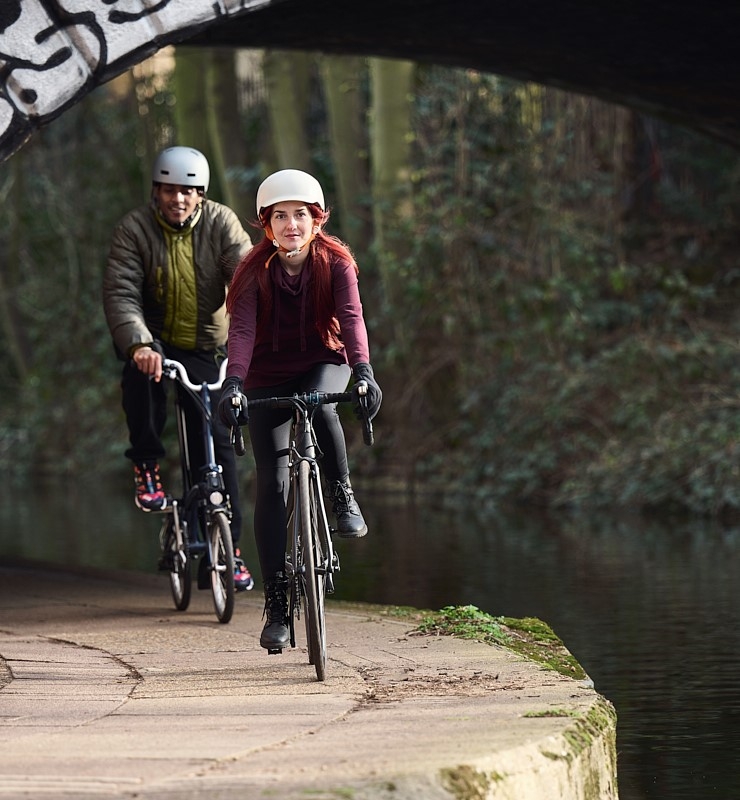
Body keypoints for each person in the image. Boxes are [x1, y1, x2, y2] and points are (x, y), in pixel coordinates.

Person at [217, 169, 382, 651]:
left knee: (322, 407)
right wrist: (233, 383)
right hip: (266, 373)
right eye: (281, 217)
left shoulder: (337, 263)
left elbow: (351, 318)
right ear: (266, 225)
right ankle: (279, 605)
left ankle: (341, 494)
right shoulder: (251, 271)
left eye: (301, 216)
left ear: (317, 220)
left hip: (322, 362)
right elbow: (242, 333)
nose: (292, 225)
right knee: (271, 482)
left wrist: (364, 370)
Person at [103, 145, 255, 592]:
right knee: (142, 382)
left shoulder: (221, 222)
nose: (178, 199)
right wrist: (139, 343)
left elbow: (244, 276)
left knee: (220, 447)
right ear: (157, 191)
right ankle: (147, 465)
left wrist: (250, 328)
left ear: (201, 195)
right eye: (170, 190)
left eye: (188, 191)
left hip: (208, 346)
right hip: (155, 340)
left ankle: (231, 553)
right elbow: (121, 291)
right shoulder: (134, 229)